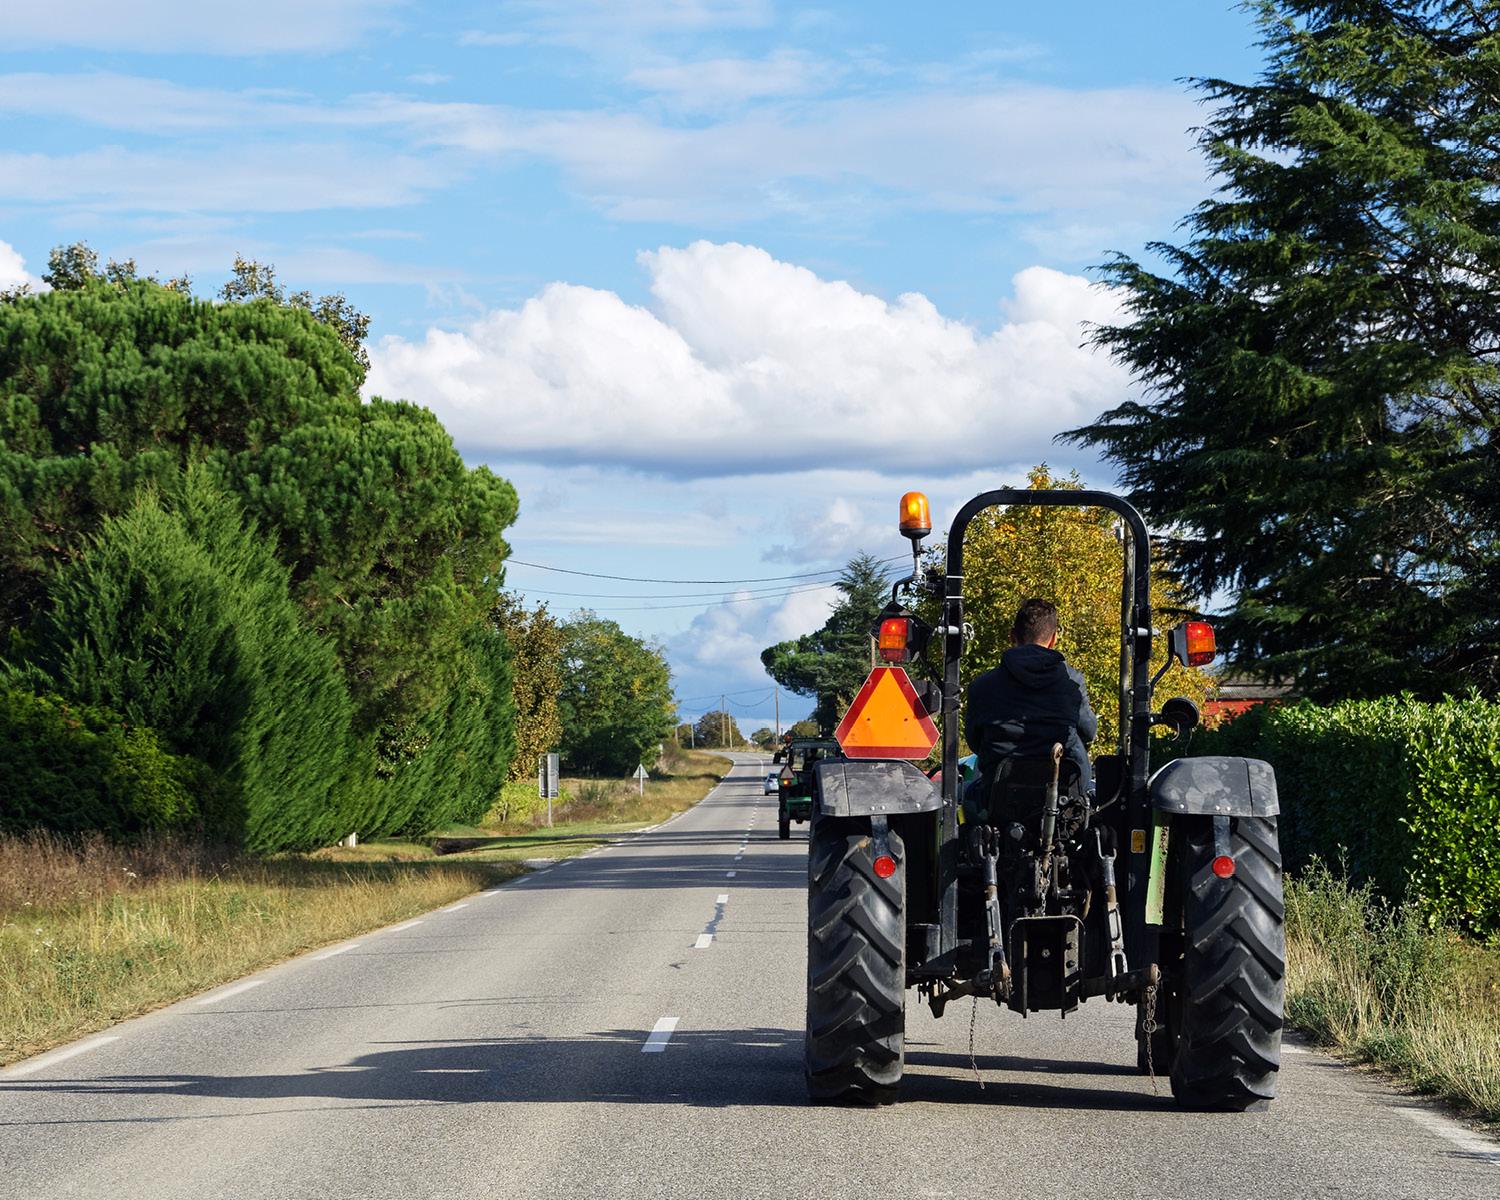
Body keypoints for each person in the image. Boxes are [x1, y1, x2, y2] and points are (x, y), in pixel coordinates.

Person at [964, 598, 1097, 794]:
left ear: (1012, 636)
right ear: (1053, 639)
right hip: (1064, 794)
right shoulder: (1072, 681)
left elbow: (975, 741)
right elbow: (1088, 731)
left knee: (966, 794)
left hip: (1000, 795)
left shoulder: (982, 686)